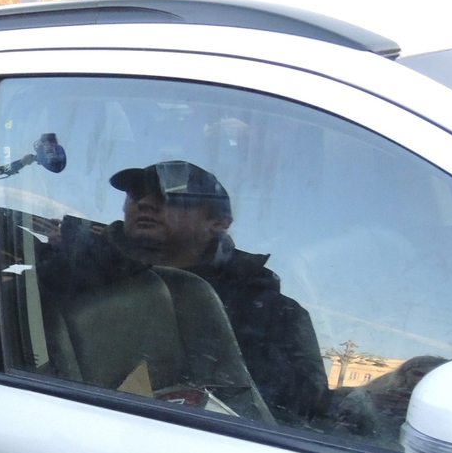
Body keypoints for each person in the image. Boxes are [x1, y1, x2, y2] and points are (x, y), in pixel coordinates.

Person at [105, 161, 327, 424]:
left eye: (169, 195)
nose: (145, 203)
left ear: (219, 222)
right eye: (136, 194)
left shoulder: (273, 314)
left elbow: (306, 410)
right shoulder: (81, 273)